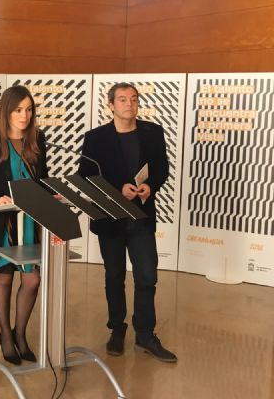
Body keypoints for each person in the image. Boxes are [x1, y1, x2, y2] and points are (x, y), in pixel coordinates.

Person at [78, 82, 177, 363]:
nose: (129, 104)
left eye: (133, 99)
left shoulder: (152, 132)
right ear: (110, 105)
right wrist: (116, 189)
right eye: (122, 99)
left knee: (147, 275)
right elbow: (86, 175)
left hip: (141, 217)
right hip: (110, 218)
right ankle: (117, 329)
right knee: (114, 276)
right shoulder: (95, 138)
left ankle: (145, 334)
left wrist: (151, 187)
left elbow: (161, 168)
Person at [0, 85, 49, 366]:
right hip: (2, 222)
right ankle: (5, 335)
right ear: (6, 111)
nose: (24, 115)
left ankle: (20, 333)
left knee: (32, 280)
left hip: (29, 221)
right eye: (18, 110)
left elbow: (42, 179)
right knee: (4, 278)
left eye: (29, 110)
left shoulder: (38, 140)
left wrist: (50, 194)